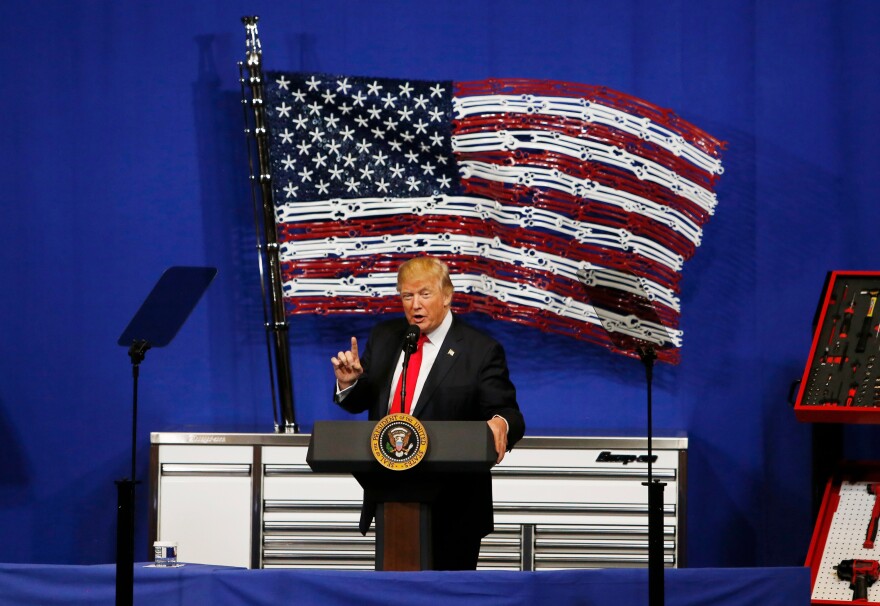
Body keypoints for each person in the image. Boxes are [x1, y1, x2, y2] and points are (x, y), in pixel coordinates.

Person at [331, 256, 525, 570]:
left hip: (455, 503)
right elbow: (360, 400)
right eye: (407, 296)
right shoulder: (385, 337)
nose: (415, 304)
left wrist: (499, 422)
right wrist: (348, 383)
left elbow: (508, 413)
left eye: (425, 294)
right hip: (390, 493)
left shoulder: (480, 349)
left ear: (447, 296)